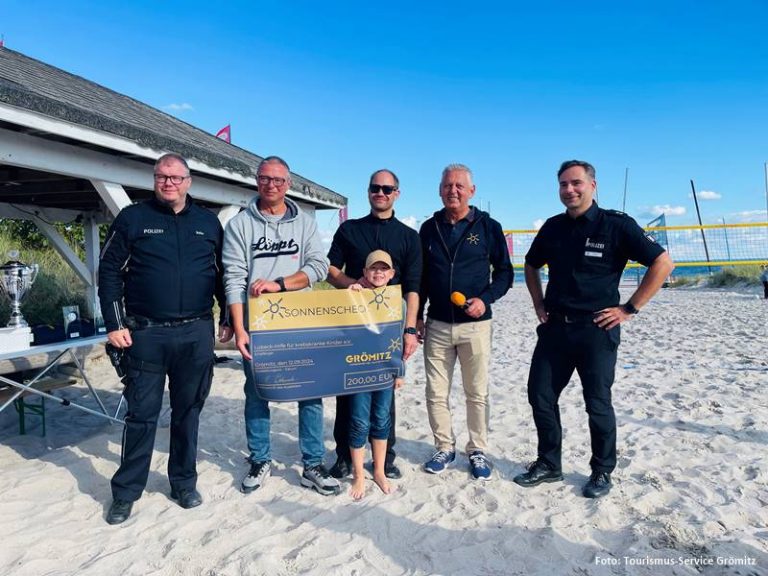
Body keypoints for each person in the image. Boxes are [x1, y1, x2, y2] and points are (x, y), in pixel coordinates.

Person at [514, 159, 675, 498]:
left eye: (576, 183)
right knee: (540, 396)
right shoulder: (553, 227)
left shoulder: (616, 225)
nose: (569, 190)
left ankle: (601, 471)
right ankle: (548, 464)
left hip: (596, 330)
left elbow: (663, 262)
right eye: (563, 184)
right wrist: (537, 302)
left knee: (597, 403)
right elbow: (531, 264)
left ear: (592, 185)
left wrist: (629, 308)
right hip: (556, 327)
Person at [98, 153, 232, 525]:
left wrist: (229, 319)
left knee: (188, 413)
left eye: (175, 177)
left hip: (196, 333)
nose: (168, 183)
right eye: (161, 177)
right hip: (146, 334)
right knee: (141, 415)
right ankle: (125, 493)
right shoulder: (133, 218)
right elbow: (108, 271)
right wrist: (114, 322)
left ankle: (183, 483)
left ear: (189, 181)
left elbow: (221, 274)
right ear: (154, 180)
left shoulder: (208, 223)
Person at [222, 156, 339, 496]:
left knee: (310, 390)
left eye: (278, 180)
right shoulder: (240, 224)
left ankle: (313, 464)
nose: (271, 185)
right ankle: (260, 459)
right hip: (257, 325)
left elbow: (319, 265)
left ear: (288, 184)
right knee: (257, 393)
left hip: (300, 321)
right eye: (265, 178)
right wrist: (239, 328)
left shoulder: (303, 223)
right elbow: (233, 278)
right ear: (256, 181)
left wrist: (282, 284)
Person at [417, 163, 513, 481]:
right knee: (436, 392)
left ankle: (477, 450)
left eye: (459, 186)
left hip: (476, 324)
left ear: (472, 191)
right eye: (447, 186)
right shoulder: (429, 228)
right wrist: (417, 317)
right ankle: (444, 446)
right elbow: (421, 279)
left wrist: (484, 300)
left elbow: (505, 274)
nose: (453, 191)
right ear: (439, 190)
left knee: (476, 392)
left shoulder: (488, 226)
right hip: (438, 324)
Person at [326, 169, 422, 480]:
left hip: (389, 330)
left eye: (387, 188)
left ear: (397, 193)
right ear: (368, 192)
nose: (380, 193)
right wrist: (355, 283)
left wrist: (410, 330)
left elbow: (413, 287)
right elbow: (329, 270)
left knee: (385, 392)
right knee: (347, 392)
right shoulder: (349, 230)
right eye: (375, 188)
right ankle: (343, 457)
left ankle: (386, 458)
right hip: (352, 326)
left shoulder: (409, 237)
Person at [346, 250, 405, 500]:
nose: (378, 273)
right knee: (359, 421)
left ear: (391, 274)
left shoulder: (398, 302)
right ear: (364, 272)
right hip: (358, 369)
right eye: (373, 268)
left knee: (381, 419)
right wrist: (351, 294)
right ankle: (359, 474)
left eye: (383, 269)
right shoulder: (353, 296)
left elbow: (399, 340)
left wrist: (400, 371)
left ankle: (379, 470)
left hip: (384, 370)